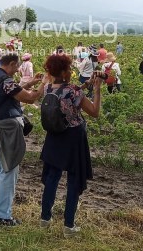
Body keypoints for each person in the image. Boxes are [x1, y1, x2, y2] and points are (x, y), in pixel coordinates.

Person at [39, 53, 101, 238]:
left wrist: (86, 84)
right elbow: (94, 112)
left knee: (52, 177)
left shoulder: (48, 88)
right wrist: (97, 89)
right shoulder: (74, 91)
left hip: (54, 136)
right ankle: (68, 225)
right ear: (66, 71)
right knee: (74, 180)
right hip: (74, 137)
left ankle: (45, 218)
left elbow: (65, 93)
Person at [0, 53, 44, 226]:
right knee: (9, 169)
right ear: (11, 64)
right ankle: (3, 216)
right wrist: (43, 83)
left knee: (1, 166)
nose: (18, 69)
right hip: (7, 129)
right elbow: (30, 97)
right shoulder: (5, 81)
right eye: (16, 66)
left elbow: (12, 92)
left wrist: (31, 82)